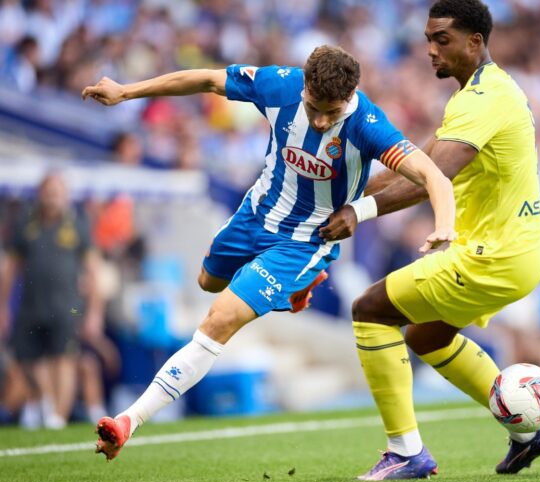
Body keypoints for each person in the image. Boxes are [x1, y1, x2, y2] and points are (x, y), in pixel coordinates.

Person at [81, 45, 456, 460]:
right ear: (305, 86)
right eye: (313, 106)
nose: (319, 120)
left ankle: (128, 421)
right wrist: (126, 92)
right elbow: (206, 78)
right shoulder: (280, 85)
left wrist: (444, 225)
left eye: (331, 112)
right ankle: (297, 288)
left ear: (349, 97)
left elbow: (433, 175)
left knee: (220, 318)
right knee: (208, 282)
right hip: (255, 215)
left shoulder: (368, 125)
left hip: (305, 240)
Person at [321, 0, 540, 479]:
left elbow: (432, 179)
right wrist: (339, 186)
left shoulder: (482, 100)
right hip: (522, 248)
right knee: (427, 335)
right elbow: (413, 165)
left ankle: (406, 452)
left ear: (476, 42)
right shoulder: (484, 92)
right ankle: (529, 432)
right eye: (428, 39)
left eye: (443, 40)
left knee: (370, 310)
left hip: (493, 254)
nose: (430, 49)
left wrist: (358, 211)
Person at [0, 173, 104, 429]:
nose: (53, 196)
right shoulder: (26, 224)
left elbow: (93, 269)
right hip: (31, 304)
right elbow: (10, 267)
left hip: (66, 305)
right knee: (28, 360)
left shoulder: (77, 224)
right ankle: (45, 404)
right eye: (48, 191)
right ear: (40, 193)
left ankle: (58, 416)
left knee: (64, 360)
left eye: (58, 191)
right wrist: (2, 306)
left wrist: (94, 311)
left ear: (66, 195)